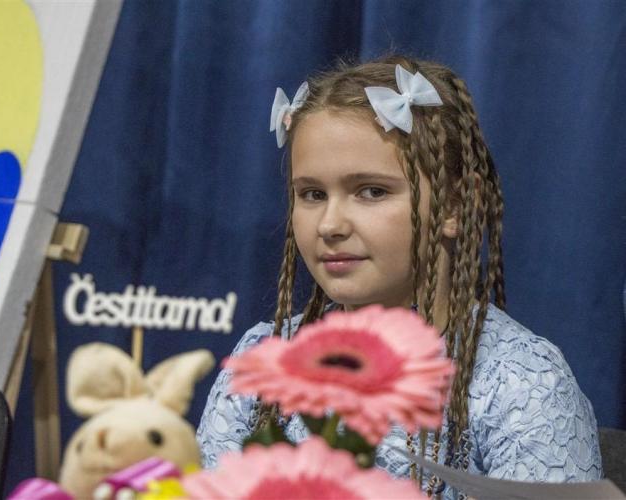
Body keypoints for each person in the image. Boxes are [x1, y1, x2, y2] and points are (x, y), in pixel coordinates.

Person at [196, 55, 602, 498]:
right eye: (311, 194)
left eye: (371, 191)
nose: (330, 225)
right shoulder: (265, 358)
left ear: (456, 205)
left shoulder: (522, 384)